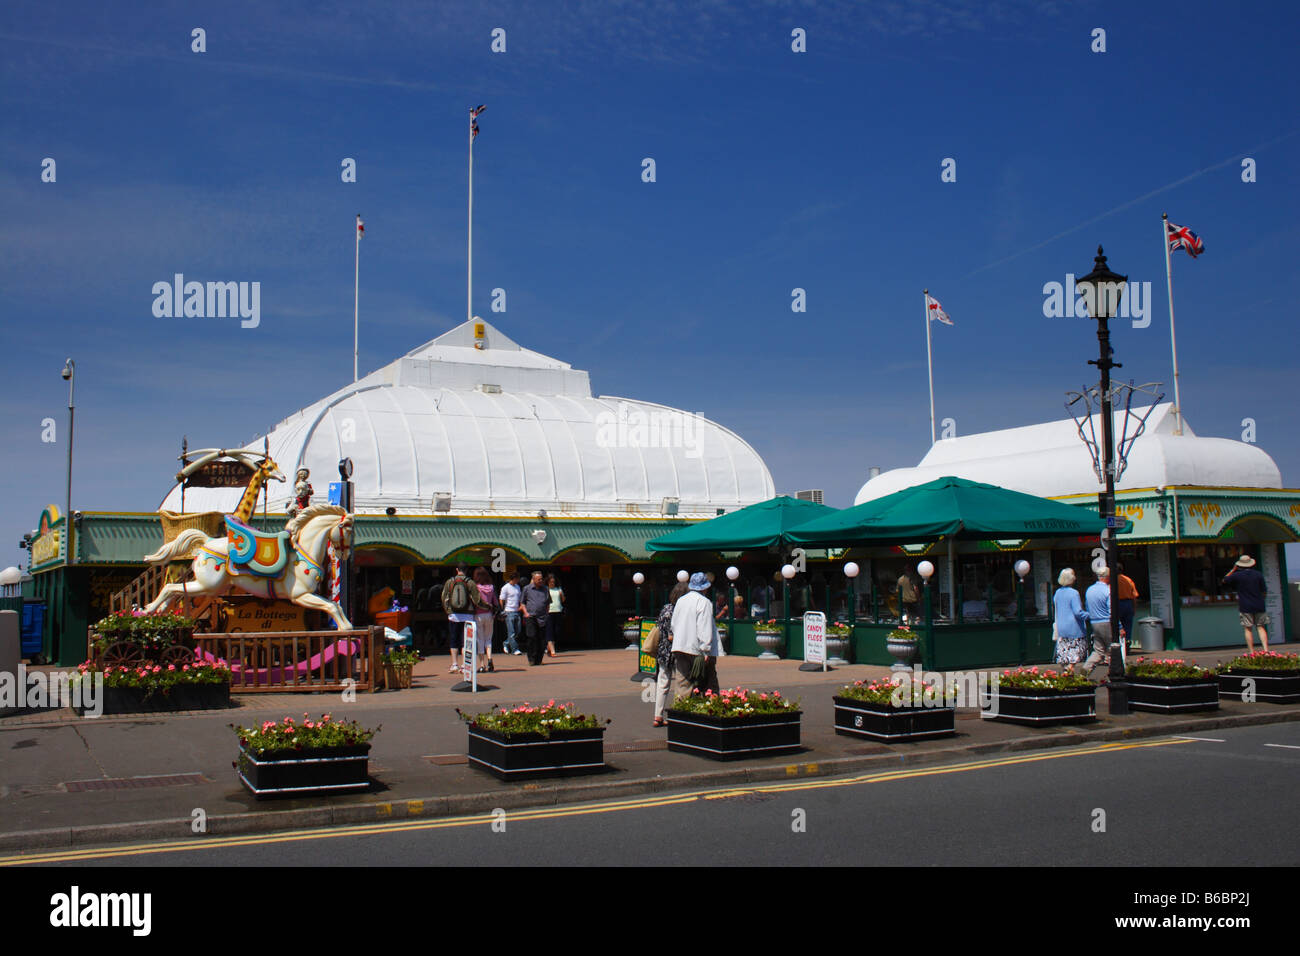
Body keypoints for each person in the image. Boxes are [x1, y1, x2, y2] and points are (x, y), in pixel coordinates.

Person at [670, 572, 723, 702]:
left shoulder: (681, 600)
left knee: (682, 681)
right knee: (708, 682)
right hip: (697, 649)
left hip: (680, 646)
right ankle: (710, 709)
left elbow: (674, 624)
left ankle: (681, 710)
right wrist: (705, 649)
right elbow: (704, 626)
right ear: (704, 588)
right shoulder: (704, 602)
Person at [653, 583, 689, 727]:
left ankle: (658, 716)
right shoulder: (679, 611)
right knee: (682, 682)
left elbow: (659, 627)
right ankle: (679, 714)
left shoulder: (665, 608)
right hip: (677, 650)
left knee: (662, 683)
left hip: (663, 651)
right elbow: (671, 636)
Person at [441, 563, 488, 673]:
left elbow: (444, 597)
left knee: (453, 640)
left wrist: (448, 611)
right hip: (468, 615)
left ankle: (454, 664)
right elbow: (477, 600)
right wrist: (487, 607)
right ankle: (464, 665)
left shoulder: (450, 581)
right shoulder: (470, 582)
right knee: (465, 641)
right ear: (467, 570)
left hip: (454, 616)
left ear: (457, 569)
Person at [1222, 554, 1269, 652]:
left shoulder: (1237, 575)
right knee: (1261, 627)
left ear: (1240, 565)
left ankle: (1251, 651)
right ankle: (1266, 650)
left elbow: (1224, 580)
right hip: (1259, 604)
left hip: (1245, 605)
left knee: (1248, 629)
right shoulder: (1258, 574)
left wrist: (1233, 569)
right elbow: (1264, 591)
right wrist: (1261, 599)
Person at [1052, 568, 1089, 674]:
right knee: (1077, 652)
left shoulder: (1057, 593)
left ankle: (1067, 671)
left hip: (1061, 628)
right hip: (1074, 628)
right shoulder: (1074, 593)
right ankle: (1070, 669)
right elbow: (1078, 612)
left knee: (1065, 653)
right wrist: (1088, 615)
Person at [1080, 566, 1112, 679]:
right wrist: (1119, 626)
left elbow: (1088, 608)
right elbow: (1112, 610)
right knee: (1113, 649)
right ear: (1107, 576)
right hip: (1107, 622)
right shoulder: (1107, 590)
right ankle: (1115, 675)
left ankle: (1084, 672)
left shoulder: (1090, 590)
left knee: (1098, 650)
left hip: (1095, 622)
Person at [520, 571, 551, 665]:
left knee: (542, 640)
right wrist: (525, 613)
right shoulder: (527, 589)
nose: (541, 581)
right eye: (539, 579)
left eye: (541, 579)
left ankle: (539, 659)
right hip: (531, 616)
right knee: (532, 637)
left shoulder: (545, 589)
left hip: (542, 617)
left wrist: (546, 614)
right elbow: (522, 603)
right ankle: (531, 659)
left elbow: (548, 603)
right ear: (533, 580)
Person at [473, 567, 499, 673]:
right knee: (488, 638)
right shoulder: (491, 588)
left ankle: (482, 664)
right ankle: (489, 658)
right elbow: (496, 602)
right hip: (489, 615)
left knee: (480, 639)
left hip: (478, 615)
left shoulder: (476, 587)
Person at [499, 570, 523, 656]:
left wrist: (520, 606)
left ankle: (506, 643)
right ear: (514, 579)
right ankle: (515, 649)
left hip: (517, 611)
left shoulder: (517, 587)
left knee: (518, 631)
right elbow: (501, 599)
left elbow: (520, 597)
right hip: (509, 611)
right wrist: (502, 611)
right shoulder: (505, 587)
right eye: (517, 579)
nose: (518, 580)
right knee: (511, 632)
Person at [1115, 561, 1139, 646]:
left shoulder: (1112, 580)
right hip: (1128, 604)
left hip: (1116, 604)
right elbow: (1134, 596)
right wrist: (1134, 608)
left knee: (1116, 626)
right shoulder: (1128, 580)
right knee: (1128, 627)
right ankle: (1127, 644)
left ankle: (1118, 645)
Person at [545, 573, 565, 657]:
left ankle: (548, 648)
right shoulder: (545, 589)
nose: (552, 583)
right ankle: (553, 651)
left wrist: (561, 595)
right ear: (548, 582)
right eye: (551, 582)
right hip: (549, 612)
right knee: (550, 631)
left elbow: (563, 600)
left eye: (553, 582)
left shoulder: (558, 589)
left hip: (558, 611)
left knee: (557, 631)